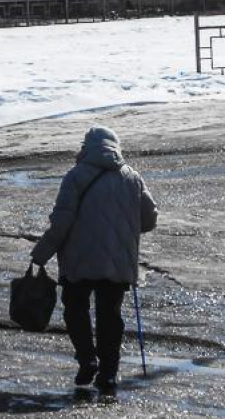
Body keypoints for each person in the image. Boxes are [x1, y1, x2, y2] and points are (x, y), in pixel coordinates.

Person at [31, 126, 157, 395]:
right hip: (116, 260)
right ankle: (109, 374)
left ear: (87, 147)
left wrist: (41, 253)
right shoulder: (132, 177)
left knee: (75, 309)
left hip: (79, 259)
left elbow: (61, 221)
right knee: (109, 315)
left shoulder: (76, 176)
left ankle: (87, 358)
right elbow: (149, 219)